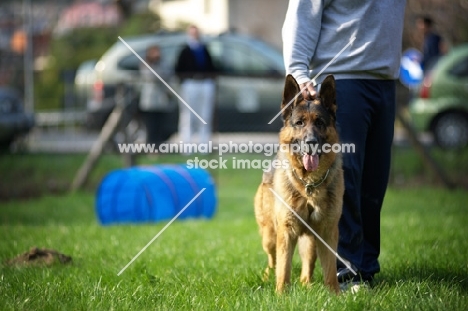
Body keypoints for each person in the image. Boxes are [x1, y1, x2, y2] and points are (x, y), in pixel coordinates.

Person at [282, 0, 406, 287]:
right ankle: (347, 272)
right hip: (343, 78)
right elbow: (302, 14)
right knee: (346, 178)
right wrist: (299, 72)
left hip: (385, 80)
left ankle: (366, 267)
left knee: (375, 182)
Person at [175, 25, 217, 147]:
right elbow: (179, 68)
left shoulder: (204, 49)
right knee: (188, 115)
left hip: (204, 83)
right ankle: (187, 145)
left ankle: (204, 144)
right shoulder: (185, 50)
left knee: (205, 115)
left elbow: (211, 66)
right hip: (190, 84)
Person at [139, 45, 172, 146]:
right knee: (151, 125)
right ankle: (151, 146)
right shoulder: (146, 64)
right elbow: (151, 76)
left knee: (160, 125)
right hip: (149, 100)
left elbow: (168, 73)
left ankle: (159, 145)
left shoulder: (163, 63)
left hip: (161, 100)